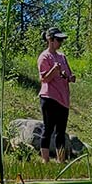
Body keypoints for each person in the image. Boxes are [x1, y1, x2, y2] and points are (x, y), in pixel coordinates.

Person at [37, 28, 75, 163]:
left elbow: (69, 75)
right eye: (58, 40)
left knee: (61, 131)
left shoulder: (62, 57)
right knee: (48, 129)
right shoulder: (44, 57)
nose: (61, 42)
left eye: (62, 40)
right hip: (49, 98)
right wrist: (54, 70)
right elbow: (45, 79)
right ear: (50, 40)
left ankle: (61, 161)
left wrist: (71, 78)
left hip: (63, 99)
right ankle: (45, 161)